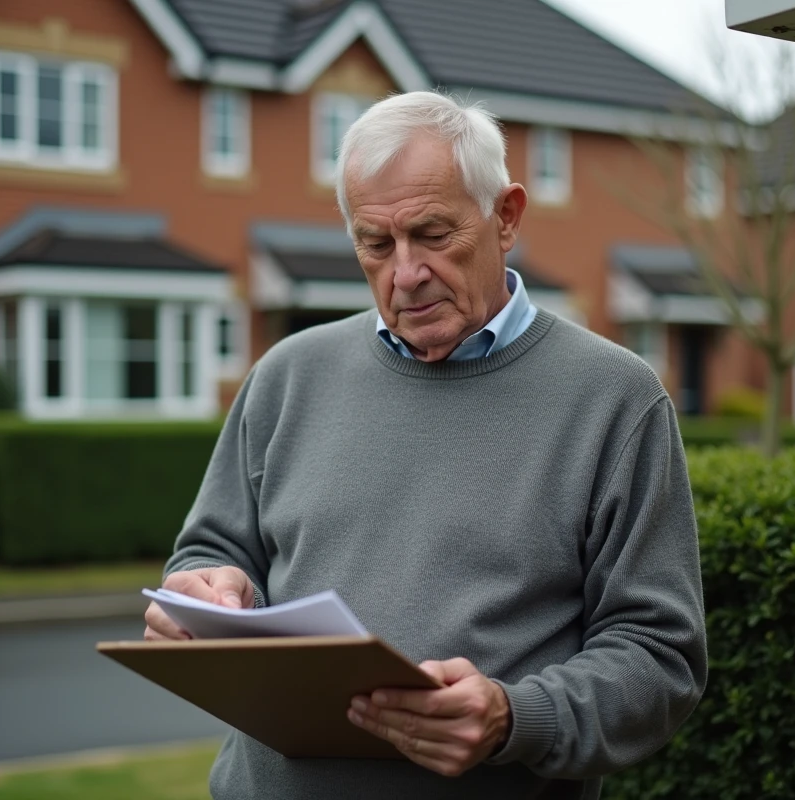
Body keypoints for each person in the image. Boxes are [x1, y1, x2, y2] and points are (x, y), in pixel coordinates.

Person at [145, 90, 707, 800]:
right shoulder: (288, 375)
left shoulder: (614, 400)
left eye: (433, 235)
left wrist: (513, 717)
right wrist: (211, 589)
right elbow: (212, 552)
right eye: (375, 245)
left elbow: (660, 660)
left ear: (506, 217)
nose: (404, 274)